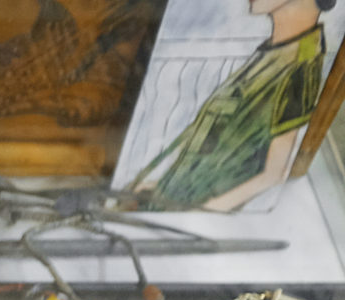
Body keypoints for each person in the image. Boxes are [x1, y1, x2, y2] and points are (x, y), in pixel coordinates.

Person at [134, 0, 333, 211]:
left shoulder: (300, 66)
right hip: (174, 196)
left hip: (194, 210)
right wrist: (162, 188)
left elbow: (273, 174)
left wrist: (203, 211)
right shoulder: (275, 54)